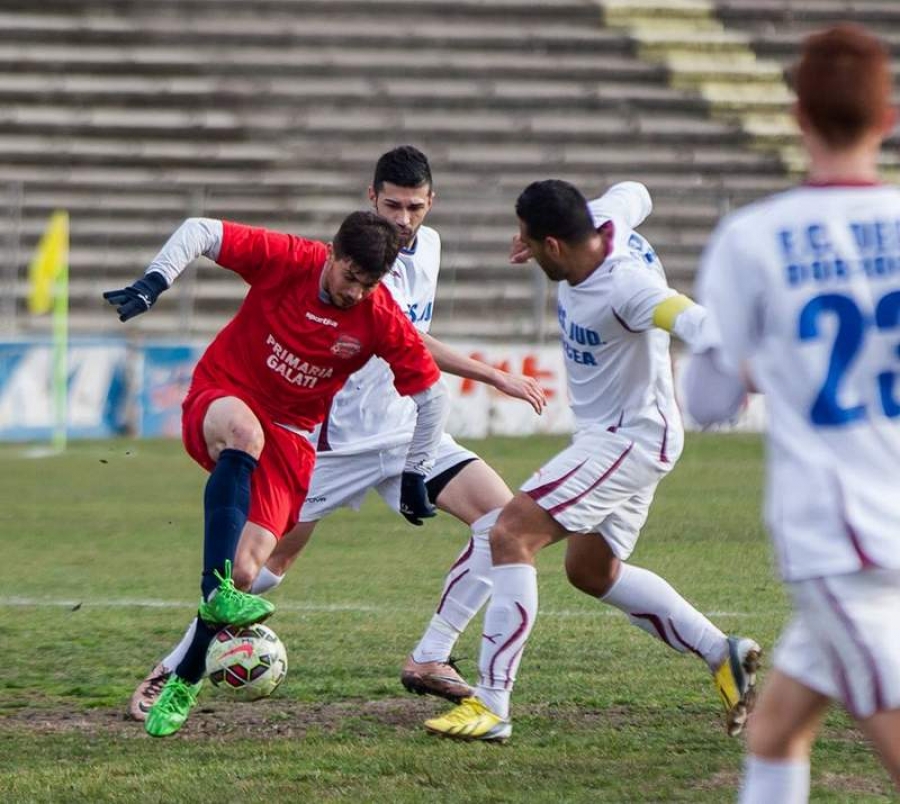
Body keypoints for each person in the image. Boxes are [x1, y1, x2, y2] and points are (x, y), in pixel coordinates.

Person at [127, 145, 546, 722]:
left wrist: (420, 460)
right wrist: (491, 371)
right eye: (393, 206)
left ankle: (431, 654)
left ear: (431, 204)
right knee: (260, 571)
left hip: (400, 433)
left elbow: (412, 349)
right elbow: (409, 339)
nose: (404, 220)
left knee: (503, 523)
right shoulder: (359, 265)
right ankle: (178, 665)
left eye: (415, 208)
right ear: (371, 198)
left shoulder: (429, 250)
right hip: (333, 439)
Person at [424, 178, 760, 742]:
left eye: (530, 243)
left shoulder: (624, 287)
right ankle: (720, 652)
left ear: (554, 245)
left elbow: (690, 318)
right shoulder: (605, 217)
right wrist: (536, 233)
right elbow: (637, 190)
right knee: (590, 571)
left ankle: (491, 703)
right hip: (627, 437)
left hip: (627, 438)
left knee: (511, 533)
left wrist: (748, 361)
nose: (523, 250)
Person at [104, 207, 449, 737]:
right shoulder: (291, 259)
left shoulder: (378, 315)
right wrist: (155, 281)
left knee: (245, 572)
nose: (355, 292)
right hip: (224, 395)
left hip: (292, 439)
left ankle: (186, 676)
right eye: (349, 277)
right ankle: (211, 596)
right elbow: (201, 230)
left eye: (368, 284)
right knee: (245, 434)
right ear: (332, 254)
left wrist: (415, 471)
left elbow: (431, 394)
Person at [683, 24, 900, 802]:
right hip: (887, 520)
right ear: (889, 117)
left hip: (841, 535)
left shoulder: (755, 238)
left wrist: (760, 362)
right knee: (776, 731)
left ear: (796, 115)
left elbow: (706, 401)